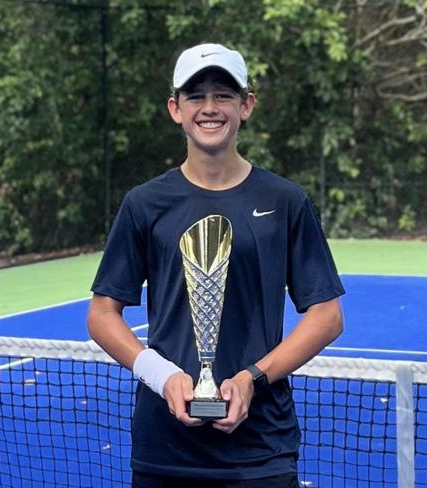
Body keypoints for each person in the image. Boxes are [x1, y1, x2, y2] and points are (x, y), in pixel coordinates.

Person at [87, 43, 345, 488]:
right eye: (195, 96)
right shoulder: (144, 204)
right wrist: (163, 376)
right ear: (175, 109)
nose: (210, 108)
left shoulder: (285, 201)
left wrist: (252, 379)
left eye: (224, 95)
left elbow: (327, 317)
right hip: (164, 451)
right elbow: (101, 313)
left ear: (246, 106)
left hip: (262, 450)